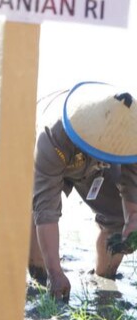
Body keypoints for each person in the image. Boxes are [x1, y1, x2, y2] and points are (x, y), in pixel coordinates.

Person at [28, 82, 137, 301]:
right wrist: (55, 272)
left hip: (98, 165)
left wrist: (132, 220)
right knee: (36, 211)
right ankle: (41, 275)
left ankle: (104, 280)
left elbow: (131, 186)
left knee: (117, 216)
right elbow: (46, 209)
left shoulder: (131, 136)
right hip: (54, 150)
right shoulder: (52, 135)